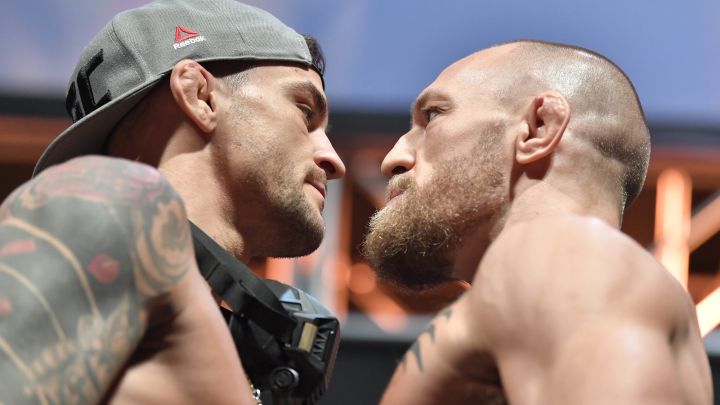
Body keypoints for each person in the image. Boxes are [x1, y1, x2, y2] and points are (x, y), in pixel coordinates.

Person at [0, 0, 344, 403]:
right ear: (200, 96)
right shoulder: (102, 208)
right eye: (305, 113)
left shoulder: (203, 330)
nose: (333, 160)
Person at [364, 40, 713, 404]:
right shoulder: (566, 276)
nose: (393, 158)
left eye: (433, 115)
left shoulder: (563, 253)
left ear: (538, 128)